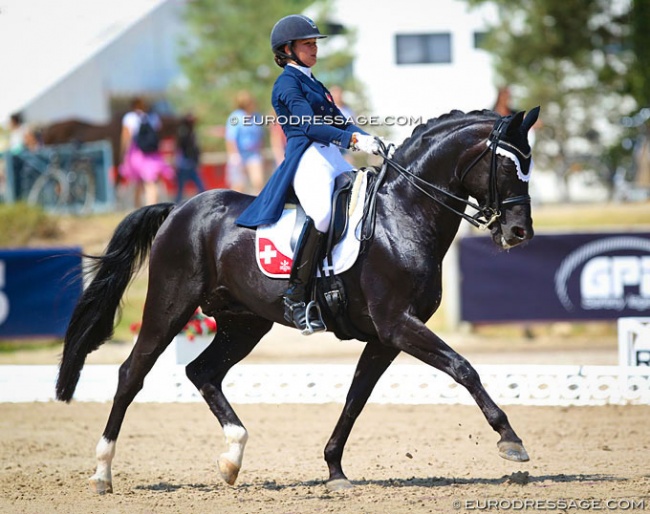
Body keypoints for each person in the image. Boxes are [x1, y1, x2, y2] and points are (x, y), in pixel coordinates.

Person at [236, 14, 381, 334]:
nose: (314, 49)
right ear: (287, 49)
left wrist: (370, 140)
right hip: (307, 156)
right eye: (308, 44)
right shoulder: (287, 84)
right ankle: (296, 295)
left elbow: (339, 121)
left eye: (315, 43)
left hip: (332, 155)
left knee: (369, 199)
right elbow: (309, 125)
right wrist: (353, 140)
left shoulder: (314, 81)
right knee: (323, 214)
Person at [119, 97, 174, 207]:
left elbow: (126, 138)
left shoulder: (129, 118)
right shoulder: (153, 117)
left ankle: (139, 210)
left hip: (136, 154)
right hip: (152, 155)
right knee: (151, 183)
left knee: (138, 183)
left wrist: (123, 154)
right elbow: (158, 135)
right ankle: (149, 209)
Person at [225, 90, 265, 194]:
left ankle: (259, 207)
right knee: (239, 185)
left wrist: (261, 151)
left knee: (258, 181)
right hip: (239, 154)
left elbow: (260, 135)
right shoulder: (235, 117)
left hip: (253, 154)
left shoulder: (256, 116)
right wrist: (234, 156)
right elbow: (230, 138)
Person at [174, 113, 205, 202]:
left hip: (188, 162)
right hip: (185, 162)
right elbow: (184, 148)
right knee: (183, 187)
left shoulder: (188, 131)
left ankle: (176, 203)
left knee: (182, 187)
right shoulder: (184, 132)